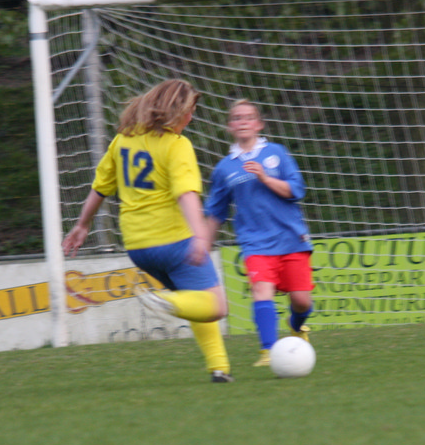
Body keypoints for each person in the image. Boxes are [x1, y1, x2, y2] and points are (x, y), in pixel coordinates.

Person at [62, 79, 233, 383]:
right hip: (174, 242)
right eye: (189, 110)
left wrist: (82, 224)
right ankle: (166, 303)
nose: (191, 116)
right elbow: (186, 194)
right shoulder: (176, 144)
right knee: (216, 305)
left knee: (194, 297)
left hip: (138, 246)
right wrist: (200, 235)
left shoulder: (124, 139)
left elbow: (100, 188)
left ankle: (219, 368)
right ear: (174, 111)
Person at [204, 99, 314, 367]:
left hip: (291, 238)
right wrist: (203, 247)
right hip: (255, 242)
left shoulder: (277, 153)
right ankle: (268, 351)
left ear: (259, 124)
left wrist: (265, 178)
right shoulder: (225, 168)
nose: (242, 121)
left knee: (301, 301)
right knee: (261, 290)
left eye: (248, 117)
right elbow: (216, 212)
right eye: (237, 118)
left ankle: (296, 325)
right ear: (230, 126)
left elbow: (296, 190)